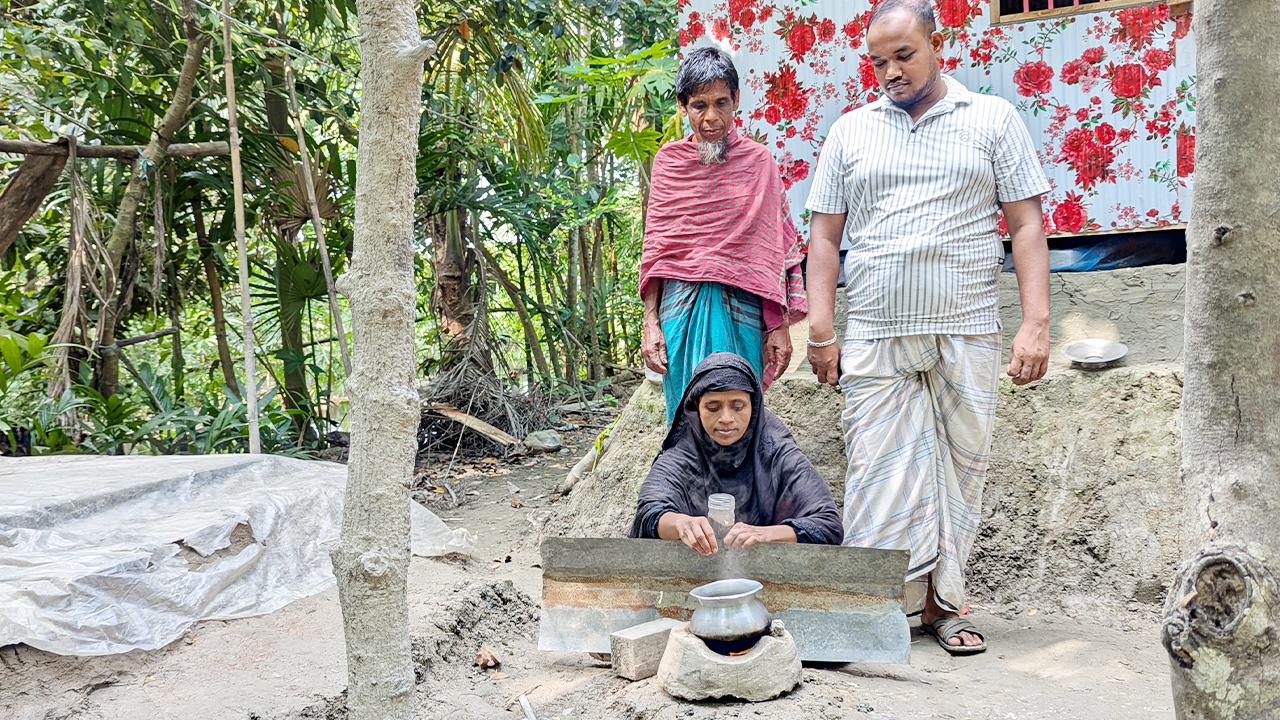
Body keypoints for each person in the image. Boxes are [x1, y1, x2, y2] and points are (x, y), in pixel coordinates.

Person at [804, 0, 1051, 655]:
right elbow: (824, 237)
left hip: (966, 329)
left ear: (938, 44)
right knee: (876, 473)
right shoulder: (850, 132)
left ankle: (944, 608)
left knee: (959, 475)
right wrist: (821, 327)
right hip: (876, 332)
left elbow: (1026, 223)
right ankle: (873, 610)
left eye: (904, 55)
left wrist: (1036, 322)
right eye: (878, 61)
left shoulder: (992, 119)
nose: (891, 71)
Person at [640, 46, 808, 423]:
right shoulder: (668, 163)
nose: (711, 117)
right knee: (687, 419)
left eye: (721, 103)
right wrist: (650, 324)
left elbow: (773, 252)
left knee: (740, 417)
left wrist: (778, 327)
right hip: (679, 314)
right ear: (682, 106)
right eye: (699, 106)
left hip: (742, 312)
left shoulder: (759, 162)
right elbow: (656, 254)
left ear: (736, 99)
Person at [629, 352, 843, 554]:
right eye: (713, 408)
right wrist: (681, 524)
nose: (726, 419)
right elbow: (649, 511)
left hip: (771, 569)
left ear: (754, 406)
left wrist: (765, 534)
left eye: (738, 407)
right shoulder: (683, 453)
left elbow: (828, 524)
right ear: (697, 406)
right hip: (695, 568)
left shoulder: (775, 450)